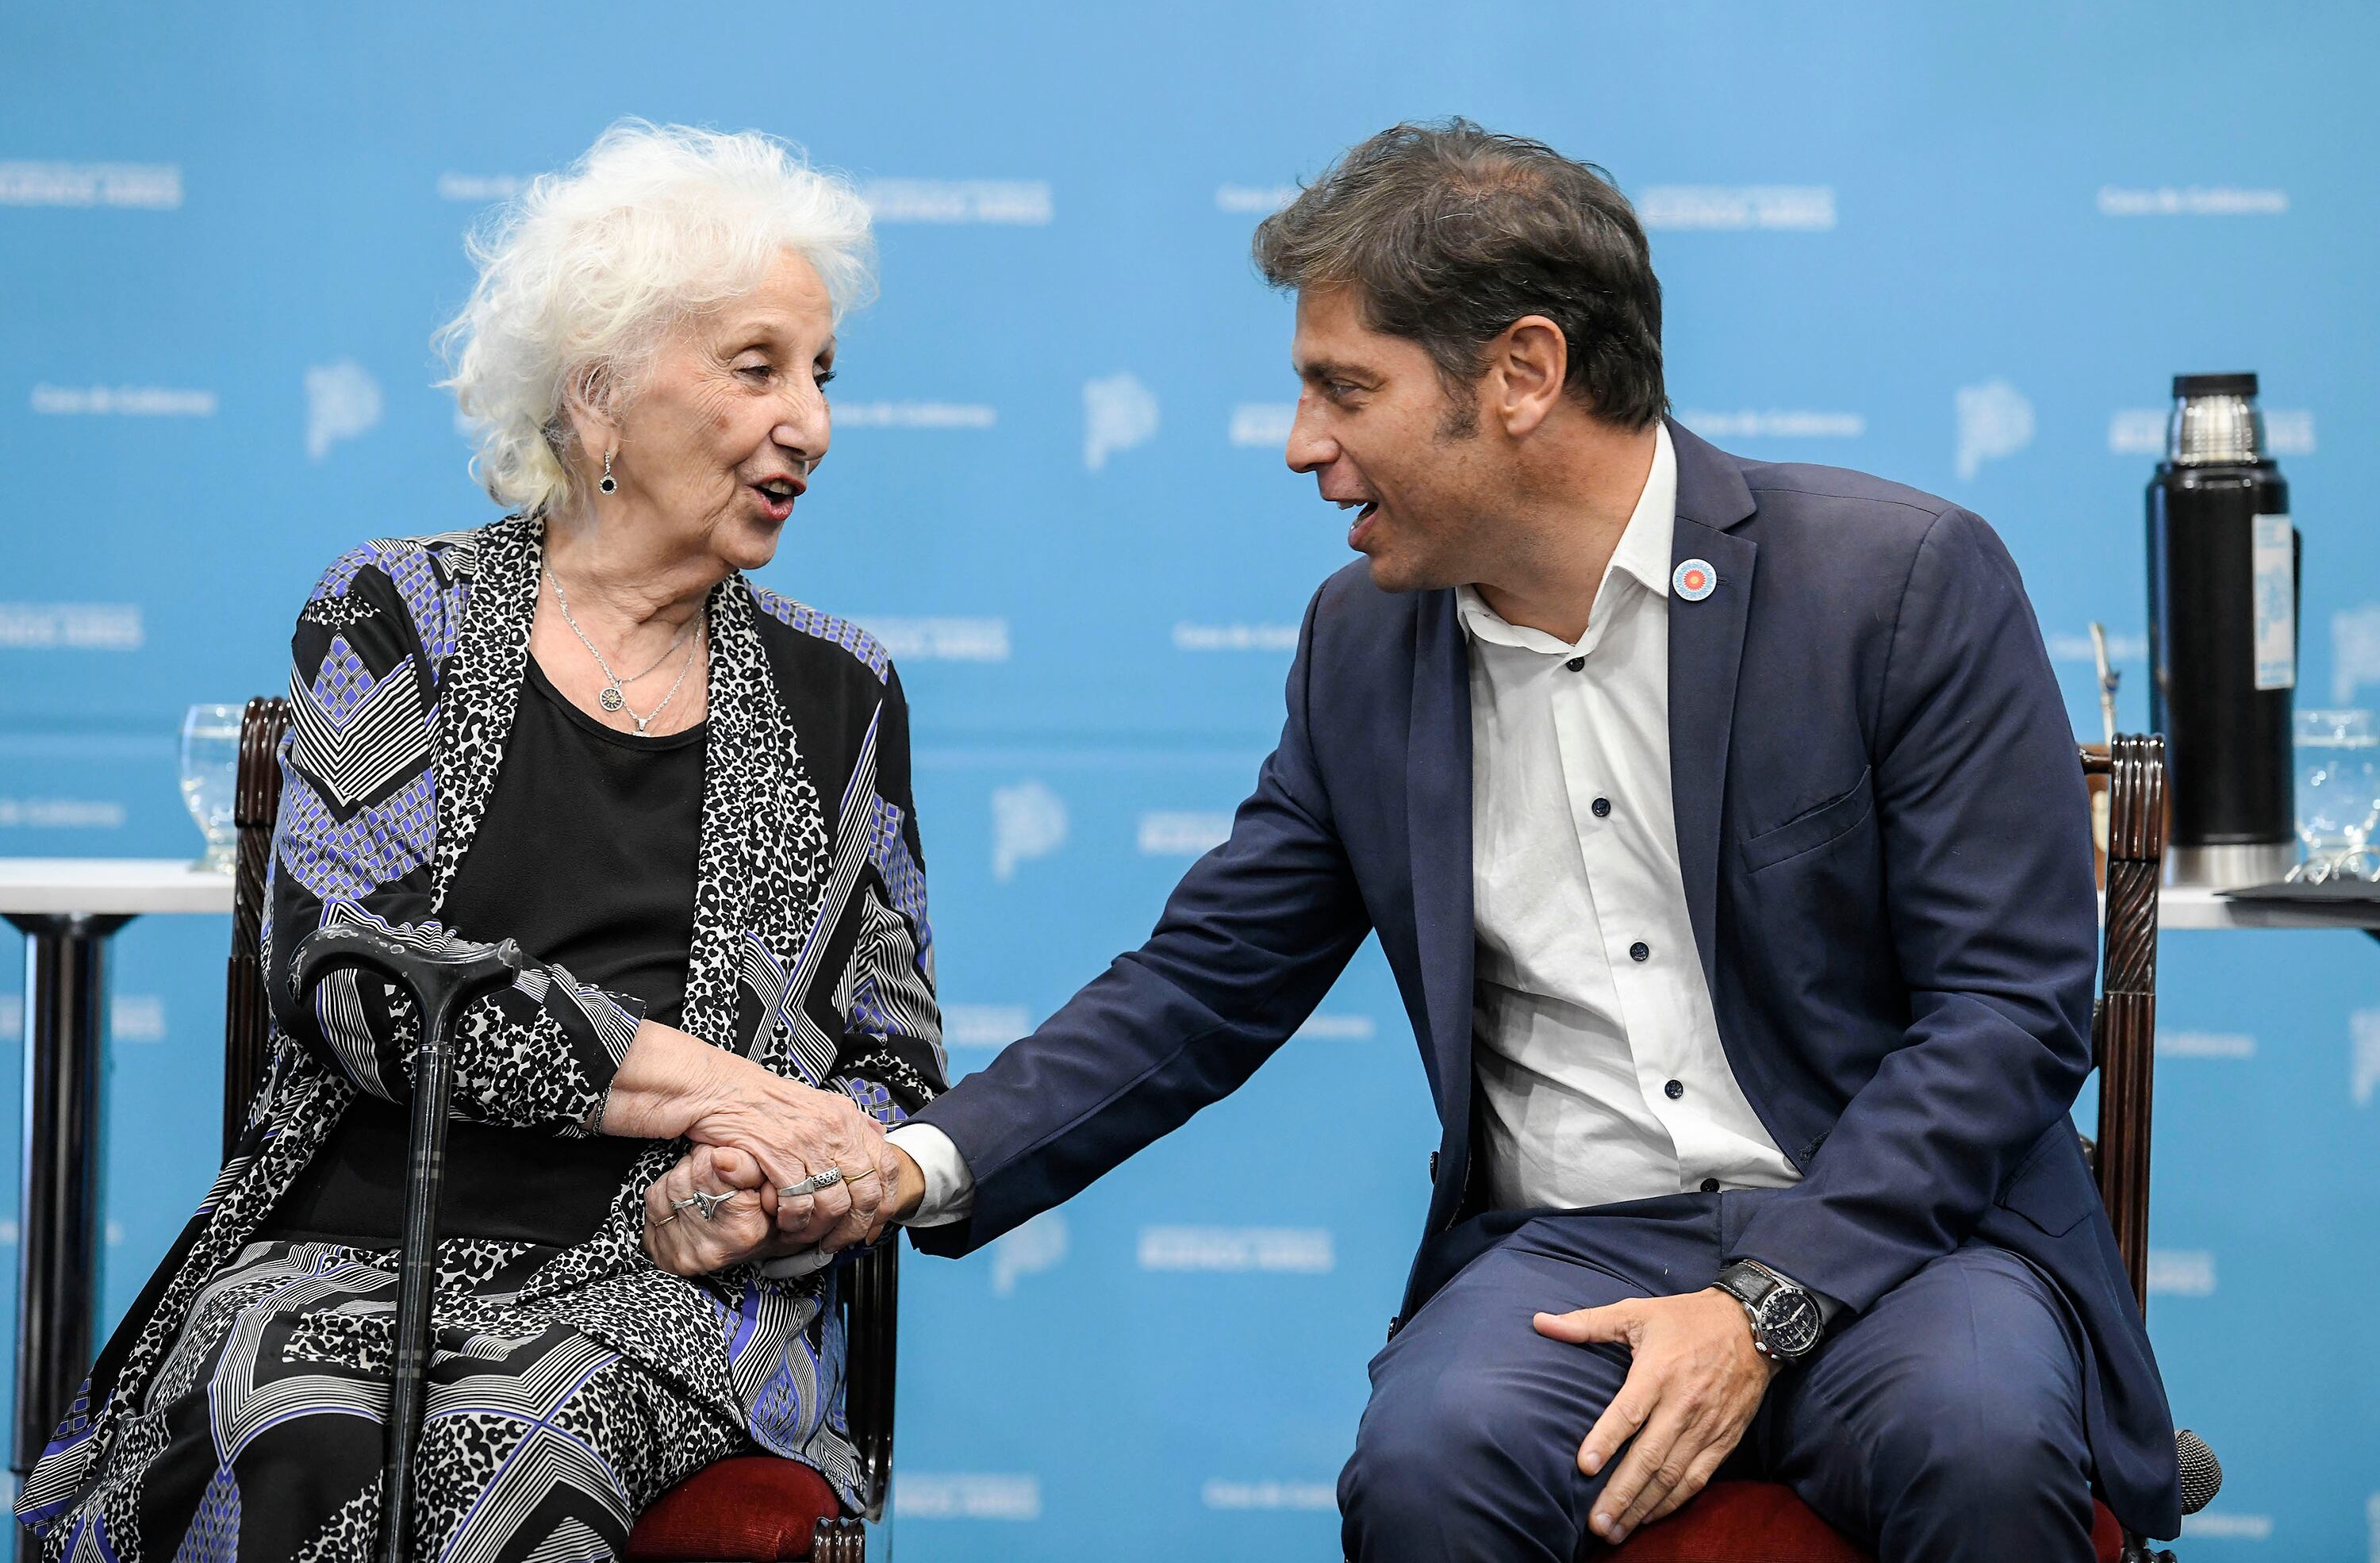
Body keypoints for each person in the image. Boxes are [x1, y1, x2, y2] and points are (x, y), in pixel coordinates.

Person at [863, 121, 2180, 1560]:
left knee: (1977, 1441)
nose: (1304, 445)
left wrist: (1763, 1303)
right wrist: (917, 1161)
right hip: (1568, 1252)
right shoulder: (1360, 649)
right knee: (1429, 1469)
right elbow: (1202, 985)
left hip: (1904, 1234)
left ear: (1523, 376)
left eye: (1343, 389)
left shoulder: (1898, 582)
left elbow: (2004, 1013)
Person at [13, 122, 944, 1561]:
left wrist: (768, 1189)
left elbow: (888, 1075)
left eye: (822, 377)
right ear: (601, 398)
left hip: (663, 1285)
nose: (810, 424)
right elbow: (352, 970)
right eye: (758, 368)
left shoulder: (842, 691)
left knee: (494, 1454)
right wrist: (721, 1088)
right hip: (348, 1252)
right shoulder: (399, 613)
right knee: (305, 1423)